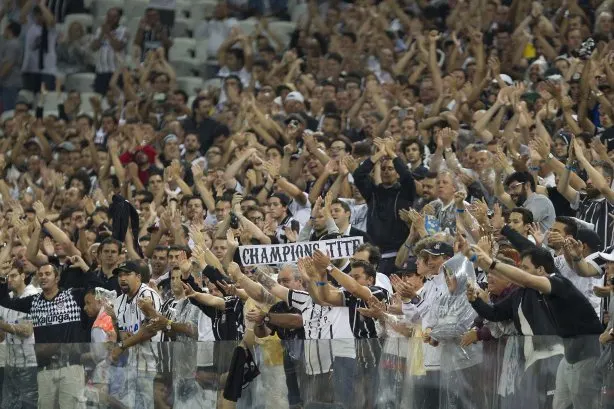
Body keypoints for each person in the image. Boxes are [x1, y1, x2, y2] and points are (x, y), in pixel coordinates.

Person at [0, 263, 90, 409]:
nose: (43, 277)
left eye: (47, 274)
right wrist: (2, 278)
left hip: (71, 367)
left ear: (57, 277)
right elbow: (5, 302)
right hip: (45, 369)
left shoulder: (73, 296)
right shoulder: (33, 301)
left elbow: (96, 289)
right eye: (40, 275)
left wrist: (85, 267)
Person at [353, 137, 417, 275]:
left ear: (397, 173)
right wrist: (380, 154)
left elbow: (407, 176)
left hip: (399, 255)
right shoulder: (373, 193)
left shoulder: (405, 192)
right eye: (383, 169)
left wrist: (391, 153)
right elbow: (358, 175)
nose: (386, 171)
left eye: (391, 169)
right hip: (376, 256)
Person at [110, 259, 163, 409]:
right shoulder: (119, 301)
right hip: (133, 366)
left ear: (138, 277)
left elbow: (151, 330)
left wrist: (122, 345)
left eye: (127, 274)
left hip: (153, 365)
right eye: (120, 275)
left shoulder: (147, 295)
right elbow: (124, 333)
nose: (122, 278)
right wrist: (117, 327)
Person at [0, 21, 23, 112]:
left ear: (9, 30)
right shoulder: (12, 43)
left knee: (8, 110)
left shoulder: (12, 44)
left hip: (10, 82)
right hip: (8, 82)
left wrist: (0, 76)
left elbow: (9, 63)